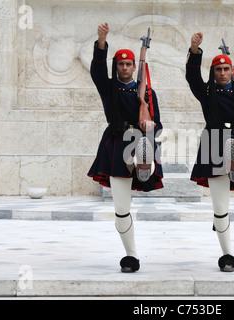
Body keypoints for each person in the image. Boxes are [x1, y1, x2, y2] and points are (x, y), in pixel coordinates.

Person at [186, 32, 234, 272]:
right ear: (214, 72)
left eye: (226, 69)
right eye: (218, 69)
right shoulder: (207, 92)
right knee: (220, 208)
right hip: (213, 140)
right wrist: (194, 50)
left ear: (232, 71)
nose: (222, 73)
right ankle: (227, 253)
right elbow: (192, 77)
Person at [88, 23, 163, 273]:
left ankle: (143, 163)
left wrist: (150, 123)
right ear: (117, 66)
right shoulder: (109, 88)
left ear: (134, 67)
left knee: (144, 145)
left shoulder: (147, 93)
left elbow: (158, 125)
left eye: (129, 64)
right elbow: (97, 70)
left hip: (141, 138)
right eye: (120, 64)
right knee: (121, 209)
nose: (124, 67)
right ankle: (131, 255)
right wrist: (101, 42)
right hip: (117, 142)